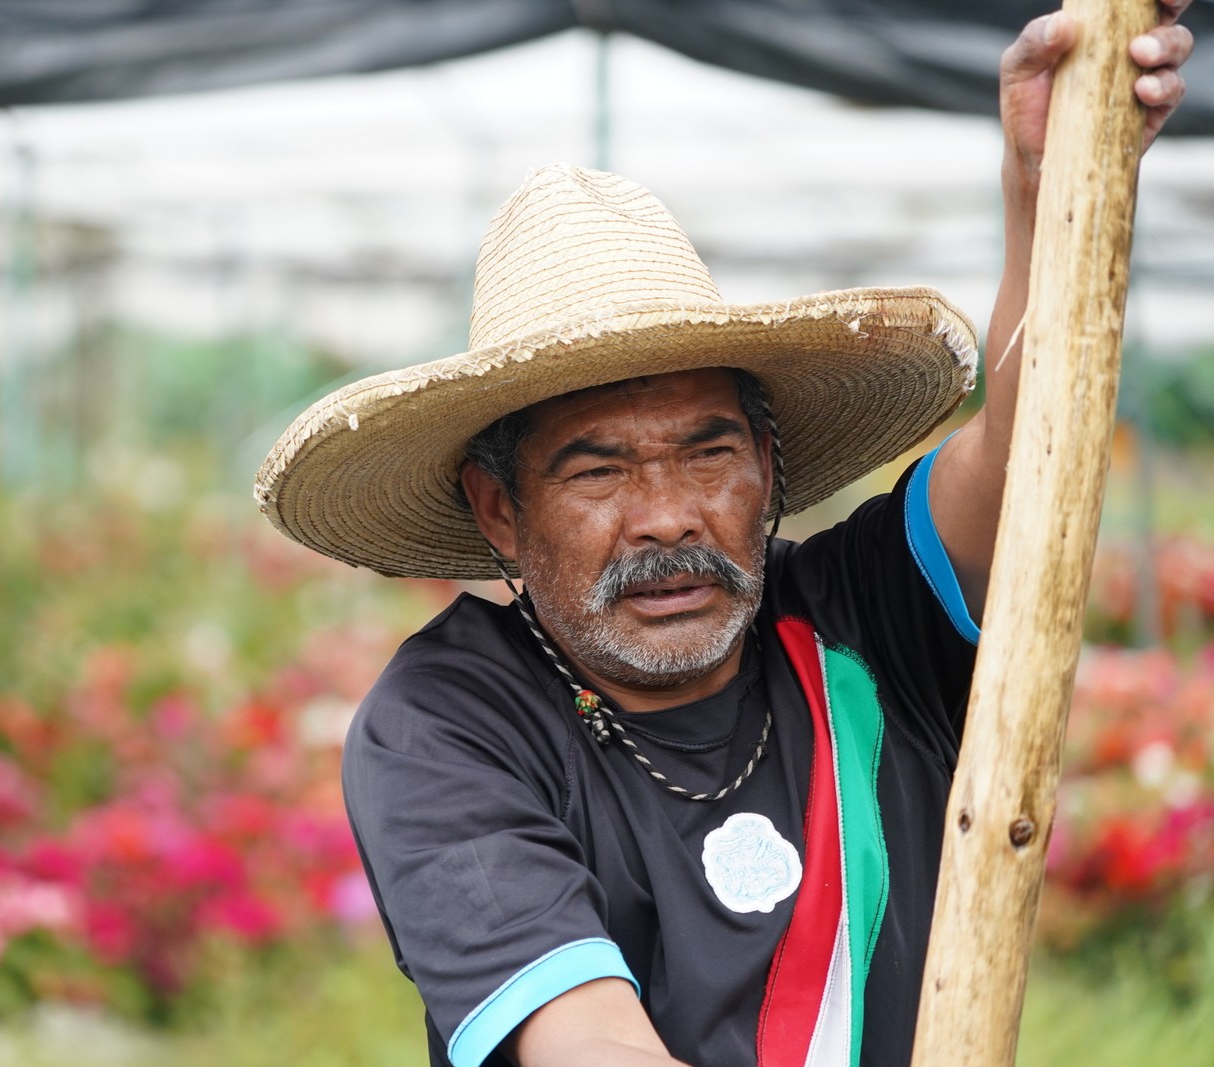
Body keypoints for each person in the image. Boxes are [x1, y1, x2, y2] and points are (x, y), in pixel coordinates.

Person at [253, 9, 1194, 1067]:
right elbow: (589, 1045)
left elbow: (1032, 454)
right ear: (496, 509)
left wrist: (1046, 185)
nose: (667, 513)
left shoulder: (861, 619)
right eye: (597, 468)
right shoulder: (450, 718)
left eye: (707, 454)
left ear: (768, 465)